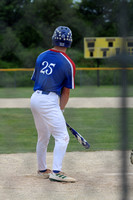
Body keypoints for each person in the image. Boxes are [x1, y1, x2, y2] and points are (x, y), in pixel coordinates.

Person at [30, 26, 76, 182]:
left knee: (43, 136)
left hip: (35, 98)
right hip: (49, 101)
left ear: (53, 39)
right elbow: (66, 92)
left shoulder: (41, 56)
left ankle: (42, 169)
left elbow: (37, 79)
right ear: (69, 42)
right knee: (62, 137)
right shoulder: (68, 63)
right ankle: (56, 172)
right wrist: (60, 110)